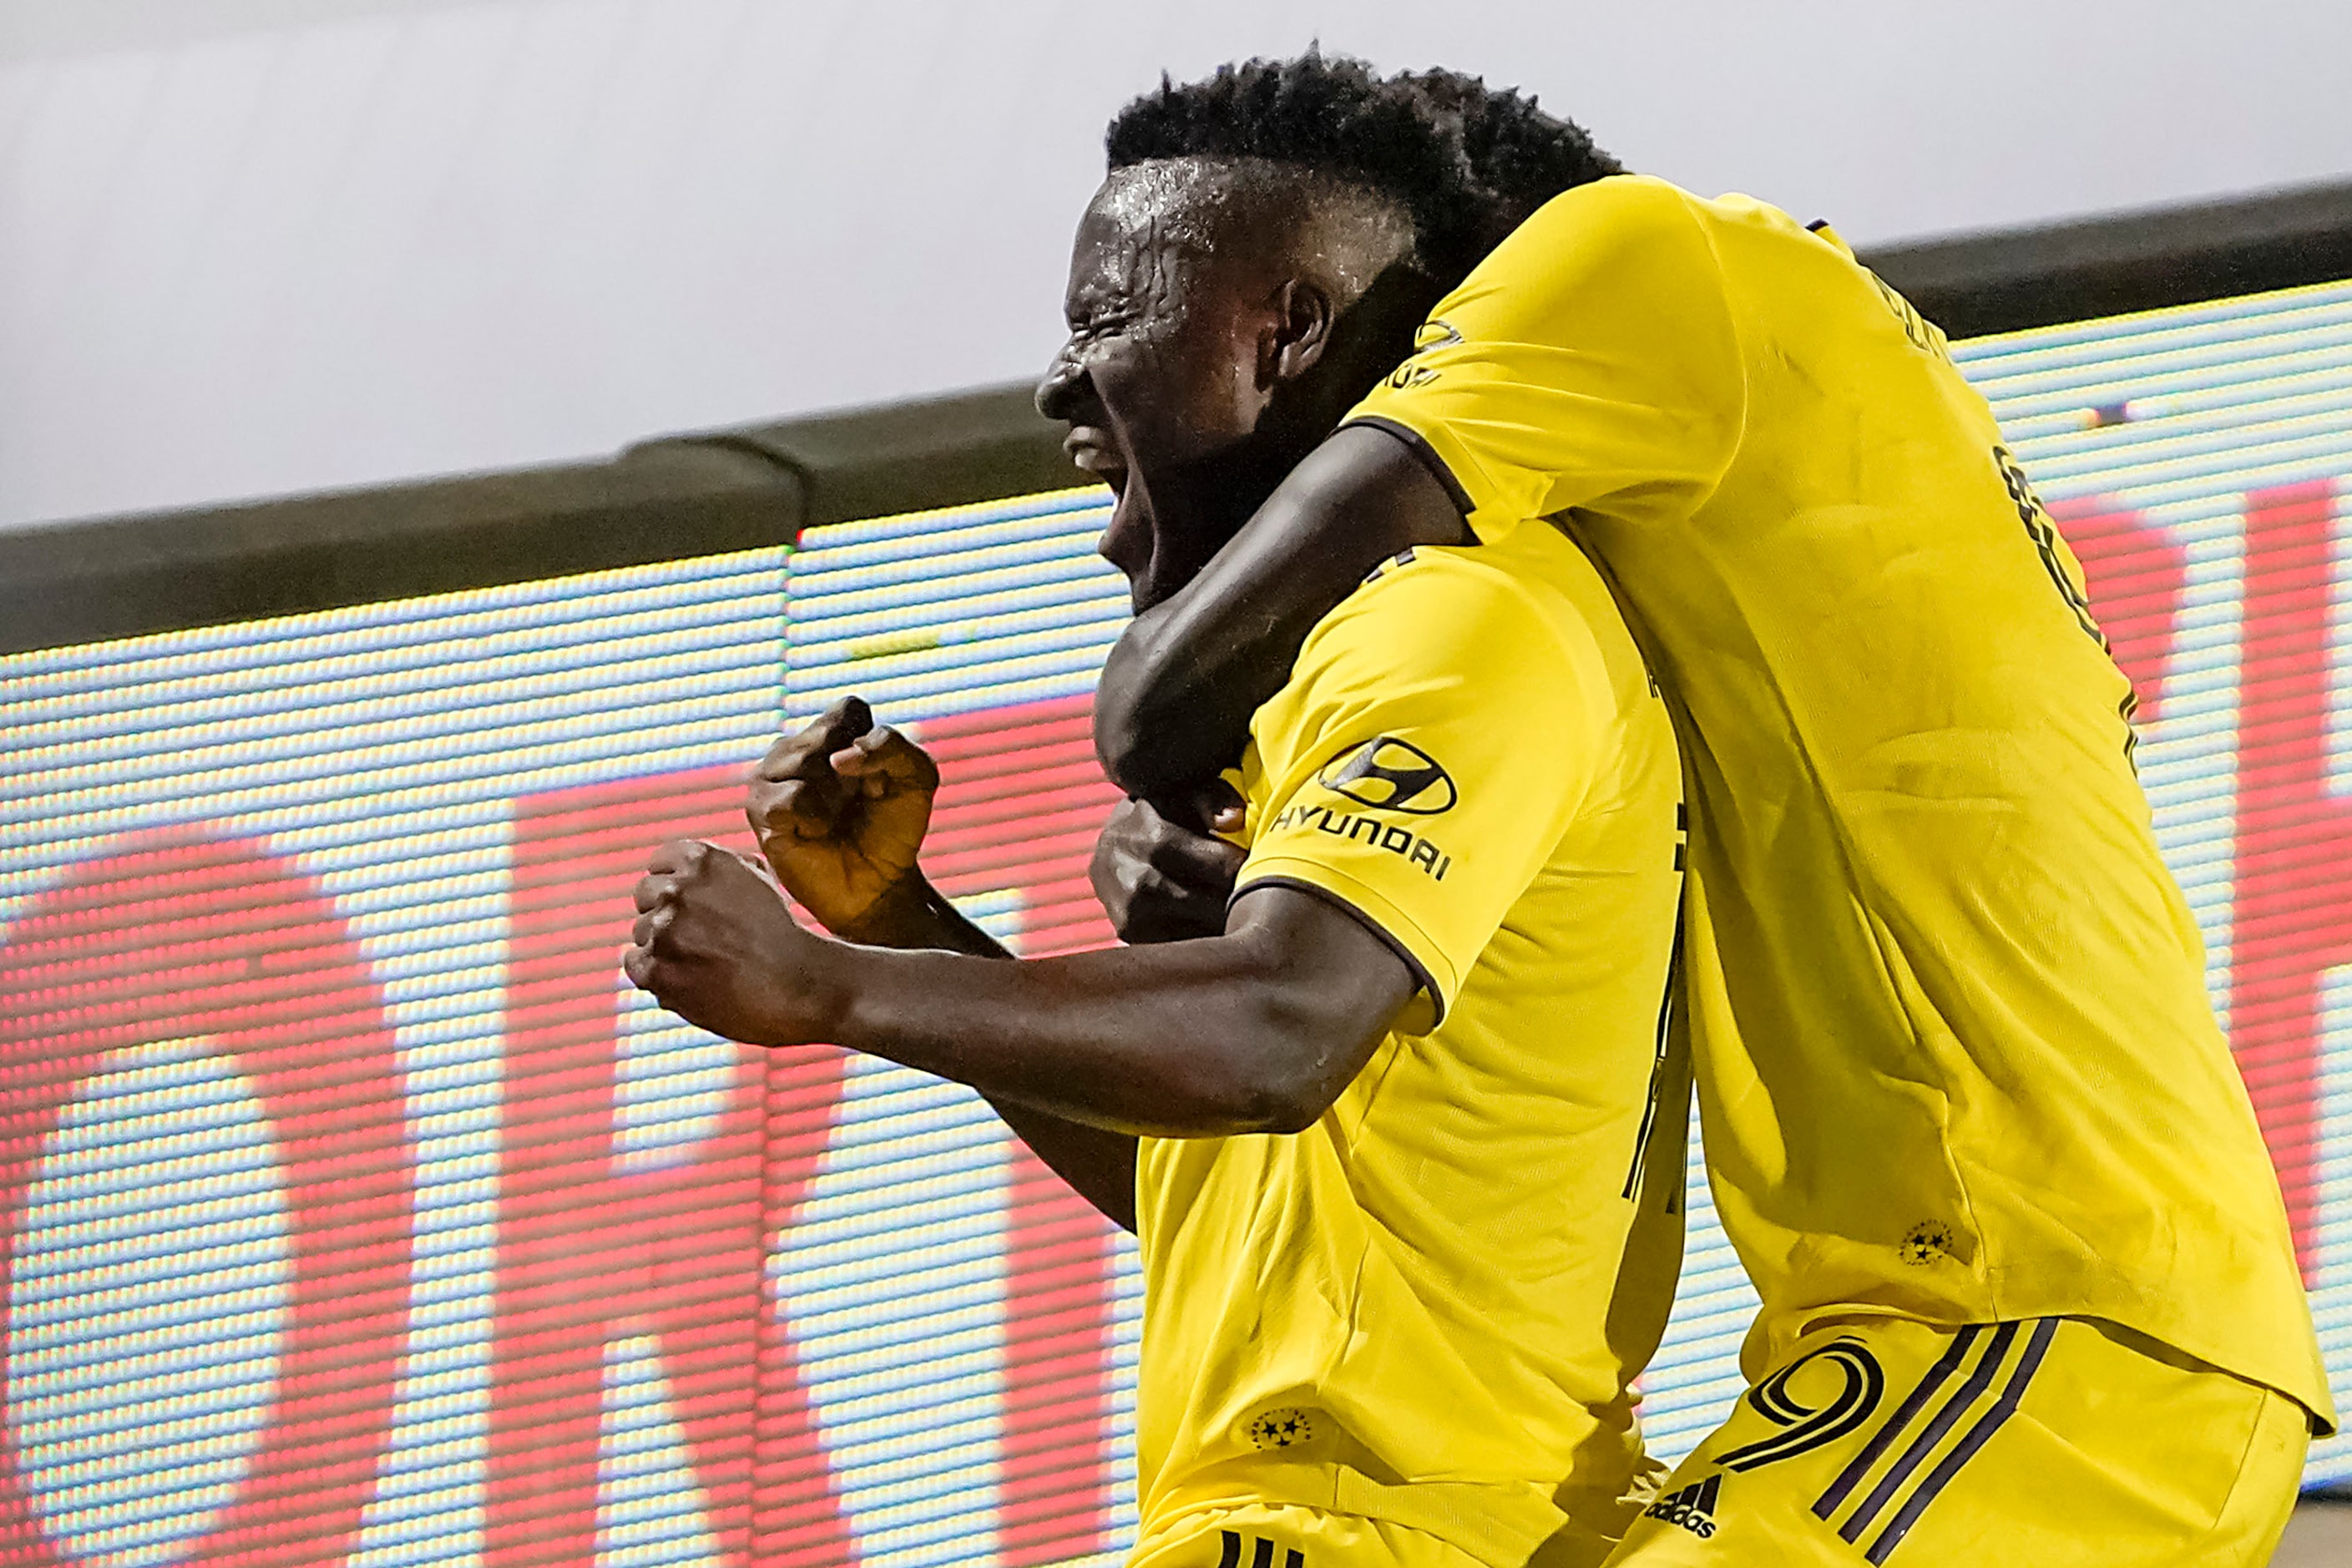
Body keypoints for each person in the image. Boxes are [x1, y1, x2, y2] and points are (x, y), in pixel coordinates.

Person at [1081, 53, 2336, 1568]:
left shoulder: (1643, 255)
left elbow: (1154, 702)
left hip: (2044, 1316)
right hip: (1913, 1334)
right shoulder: (1718, 540)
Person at [627, 57, 1693, 1568]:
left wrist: (833, 985)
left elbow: (1267, 1039)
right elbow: (1212, 1182)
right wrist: (903, 920)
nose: (1060, 380)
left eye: (1105, 319)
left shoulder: (1458, 625)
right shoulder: (1396, 645)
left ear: (1289, 333)